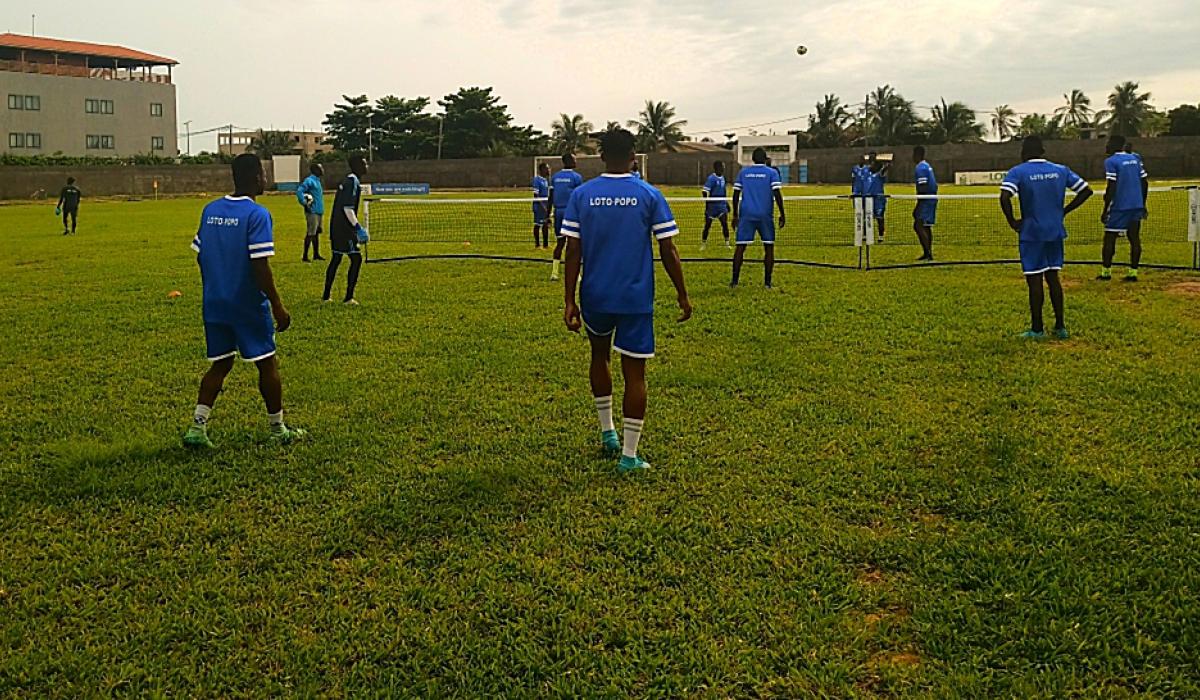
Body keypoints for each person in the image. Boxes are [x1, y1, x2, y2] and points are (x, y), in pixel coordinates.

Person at [561, 128, 692, 473]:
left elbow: (572, 250)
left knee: (599, 356)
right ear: (634, 157)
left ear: (602, 157)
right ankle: (629, 456)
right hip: (634, 298)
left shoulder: (582, 195)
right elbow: (668, 249)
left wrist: (569, 300)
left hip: (595, 296)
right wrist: (682, 293)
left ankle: (608, 433)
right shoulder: (649, 194)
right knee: (635, 375)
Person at [183, 154, 304, 448]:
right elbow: (259, 265)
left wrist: (216, 284)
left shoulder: (210, 210)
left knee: (221, 363)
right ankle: (278, 430)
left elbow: (201, 255)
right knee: (267, 364)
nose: (265, 179)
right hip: (246, 304)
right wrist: (277, 305)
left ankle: (197, 428)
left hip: (215, 302)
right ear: (255, 177)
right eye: (263, 174)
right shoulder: (257, 214)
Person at [999, 136, 1092, 339]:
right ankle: (1060, 326)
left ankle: (1037, 329)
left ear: (1023, 152)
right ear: (1043, 150)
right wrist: (1063, 211)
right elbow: (1086, 191)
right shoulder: (1061, 170)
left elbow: (1005, 197)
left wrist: (1012, 221)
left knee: (1034, 280)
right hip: (1055, 231)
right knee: (1053, 278)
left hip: (1032, 233)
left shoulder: (1018, 172)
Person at [731, 147, 786, 288]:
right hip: (765, 215)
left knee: (740, 247)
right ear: (765, 158)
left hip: (746, 214)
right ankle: (767, 283)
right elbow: (777, 194)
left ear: (753, 159)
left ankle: (734, 281)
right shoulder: (772, 173)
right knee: (769, 247)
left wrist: (735, 214)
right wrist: (782, 213)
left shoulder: (743, 172)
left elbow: (736, 194)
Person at [1099, 134, 1149, 282]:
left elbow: (1112, 185)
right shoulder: (1135, 158)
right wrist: (1142, 204)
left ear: (1114, 145)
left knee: (1109, 238)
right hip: (1136, 205)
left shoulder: (1111, 161)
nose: (1106, 146)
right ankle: (1133, 273)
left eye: (1108, 143)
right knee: (1134, 238)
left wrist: (1105, 208)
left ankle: (1106, 273)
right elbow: (1144, 182)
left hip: (1119, 207)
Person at [322, 154, 369, 305]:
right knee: (356, 259)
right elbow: (347, 208)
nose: (367, 166)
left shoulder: (347, 180)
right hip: (345, 229)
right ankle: (349, 297)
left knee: (336, 258)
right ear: (358, 166)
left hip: (336, 227)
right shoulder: (353, 182)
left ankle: (326, 296)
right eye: (364, 164)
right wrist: (358, 228)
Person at [548, 153, 584, 281]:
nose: (576, 162)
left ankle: (554, 272)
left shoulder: (555, 177)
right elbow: (579, 197)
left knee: (560, 243)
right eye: (574, 159)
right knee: (574, 244)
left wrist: (548, 215)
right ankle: (576, 274)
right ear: (569, 161)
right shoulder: (576, 177)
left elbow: (551, 197)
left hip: (558, 212)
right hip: (571, 213)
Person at [295, 163, 326, 262]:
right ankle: (305, 256)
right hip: (312, 211)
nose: (322, 170)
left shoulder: (317, 181)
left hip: (319, 211)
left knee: (316, 233)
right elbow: (299, 191)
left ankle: (316, 254)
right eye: (320, 168)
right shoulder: (309, 181)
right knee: (310, 233)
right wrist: (304, 203)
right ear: (316, 170)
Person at [912, 146, 937, 260]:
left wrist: (918, 204)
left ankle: (928, 253)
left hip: (926, 199)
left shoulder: (920, 168)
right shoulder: (927, 165)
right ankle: (928, 252)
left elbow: (923, 186)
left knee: (918, 225)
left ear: (917, 155)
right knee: (926, 226)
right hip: (931, 198)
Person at [700, 160, 731, 250]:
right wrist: (707, 202)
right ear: (717, 168)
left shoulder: (723, 178)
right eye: (722, 167)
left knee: (725, 224)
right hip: (712, 207)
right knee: (707, 226)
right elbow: (704, 191)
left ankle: (727, 244)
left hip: (721, 206)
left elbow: (723, 192)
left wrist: (726, 203)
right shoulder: (711, 178)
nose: (724, 168)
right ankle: (703, 244)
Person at [867, 153, 890, 241]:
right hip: (869, 199)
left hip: (879, 200)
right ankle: (866, 235)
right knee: (867, 218)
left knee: (879, 218)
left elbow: (884, 170)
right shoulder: (867, 174)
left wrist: (886, 166)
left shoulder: (879, 174)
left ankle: (881, 236)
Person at [532, 162, 551, 249]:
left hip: (545, 205)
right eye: (547, 168)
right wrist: (543, 206)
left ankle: (545, 245)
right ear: (542, 169)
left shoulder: (546, 180)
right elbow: (536, 195)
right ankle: (537, 244)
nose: (549, 170)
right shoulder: (537, 180)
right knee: (538, 224)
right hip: (539, 206)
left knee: (545, 224)